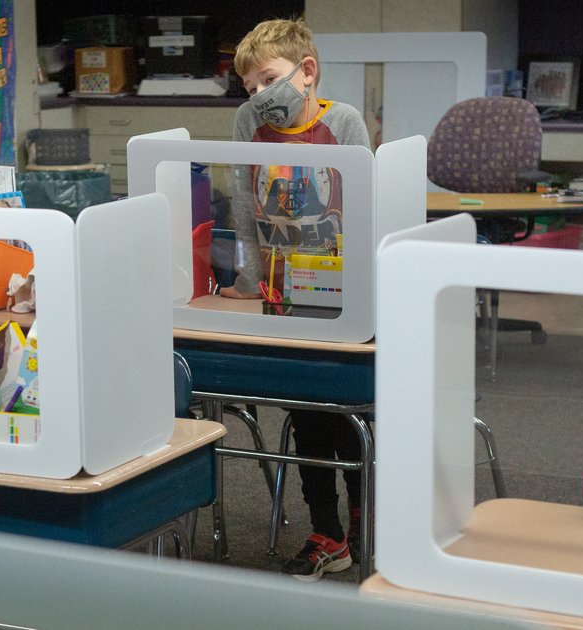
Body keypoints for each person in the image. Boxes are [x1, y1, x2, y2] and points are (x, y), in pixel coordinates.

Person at [223, 18, 370, 581]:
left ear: (307, 72)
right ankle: (327, 533)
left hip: (342, 295)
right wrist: (247, 279)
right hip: (282, 295)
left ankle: (362, 518)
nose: (259, 95)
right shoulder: (248, 121)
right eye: (249, 86)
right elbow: (244, 204)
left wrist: (360, 290)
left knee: (348, 412)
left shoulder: (343, 121)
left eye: (269, 79)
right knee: (307, 413)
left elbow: (364, 207)